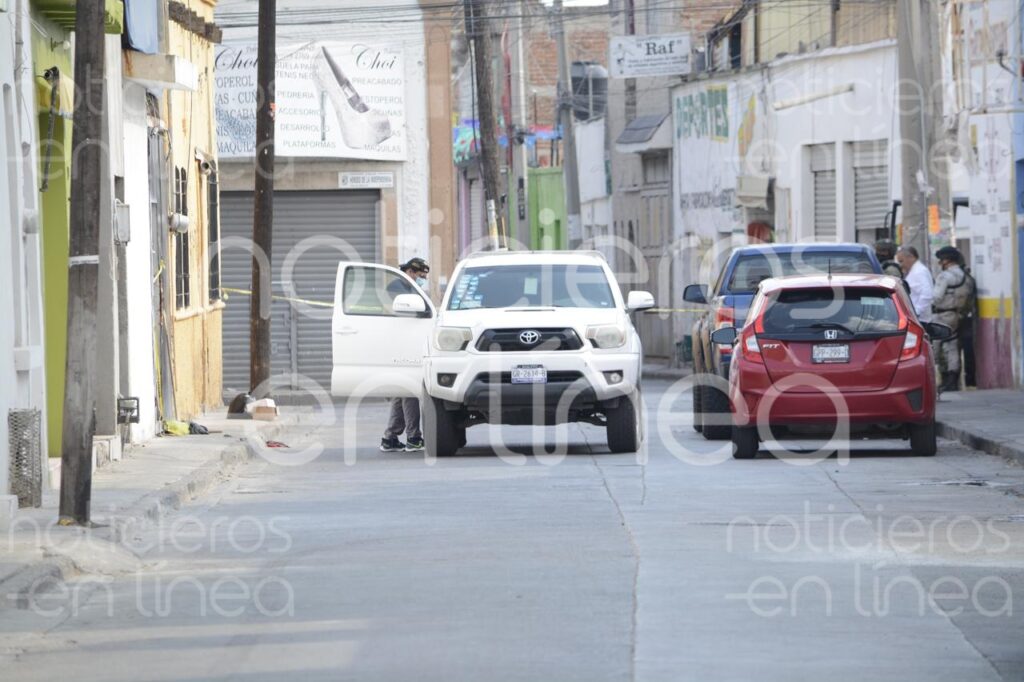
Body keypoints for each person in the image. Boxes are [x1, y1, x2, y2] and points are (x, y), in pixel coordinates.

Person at [380, 257, 430, 452]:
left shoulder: (405, 286)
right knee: (408, 390)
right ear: (411, 272)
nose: (422, 280)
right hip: (399, 345)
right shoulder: (397, 288)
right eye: (421, 276)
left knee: (401, 393)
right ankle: (413, 437)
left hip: (402, 343)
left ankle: (390, 437)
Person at [932, 246, 974, 392]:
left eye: (941, 260)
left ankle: (936, 378)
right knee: (952, 345)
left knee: (934, 346)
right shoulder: (965, 276)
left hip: (941, 315)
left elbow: (936, 297)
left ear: (946, 260)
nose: (940, 263)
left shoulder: (944, 276)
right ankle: (952, 380)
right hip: (957, 315)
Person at [896, 245, 933, 322]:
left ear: (911, 257)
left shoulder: (919, 271)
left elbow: (927, 294)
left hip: (920, 319)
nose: (900, 265)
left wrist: (917, 311)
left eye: (901, 261)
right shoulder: (914, 271)